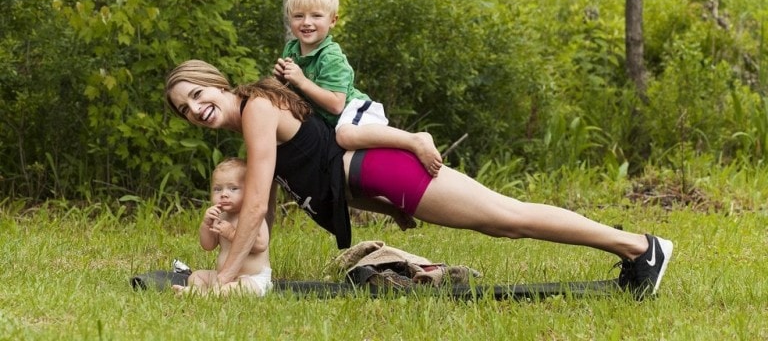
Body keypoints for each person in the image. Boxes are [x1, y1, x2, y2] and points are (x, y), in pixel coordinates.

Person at [165, 59, 674, 300]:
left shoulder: (256, 109)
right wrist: (251, 273)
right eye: (184, 108)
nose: (194, 108)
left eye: (195, 93)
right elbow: (284, 194)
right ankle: (634, 252)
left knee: (507, 217)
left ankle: (640, 247)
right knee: (504, 221)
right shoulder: (256, 116)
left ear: (215, 82)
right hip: (375, 179)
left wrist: (225, 280)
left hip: (383, 168)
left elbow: (255, 204)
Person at [273, 0, 442, 176]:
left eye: (316, 15)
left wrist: (301, 81)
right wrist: (281, 80)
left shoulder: (331, 56)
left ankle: (415, 140)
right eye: (298, 16)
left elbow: (337, 104)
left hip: (354, 110)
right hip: (334, 122)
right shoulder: (291, 50)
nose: (306, 22)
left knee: (345, 136)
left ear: (333, 20)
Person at [173, 158, 273, 296]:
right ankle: (198, 291)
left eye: (233, 188)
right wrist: (206, 224)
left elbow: (261, 245)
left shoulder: (252, 215)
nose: (224, 194)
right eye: (218, 189)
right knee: (197, 276)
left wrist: (232, 234)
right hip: (222, 277)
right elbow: (208, 245)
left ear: (249, 190)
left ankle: (205, 296)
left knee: (233, 289)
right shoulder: (220, 216)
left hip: (252, 279)